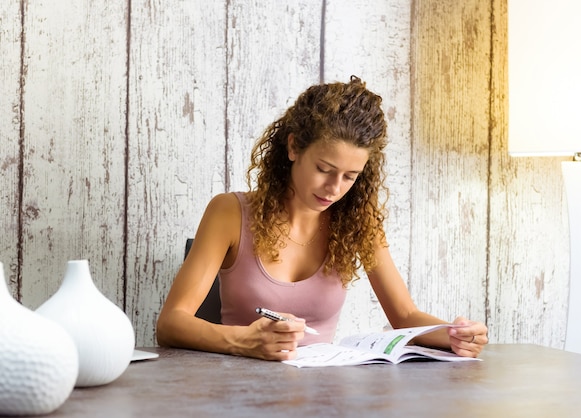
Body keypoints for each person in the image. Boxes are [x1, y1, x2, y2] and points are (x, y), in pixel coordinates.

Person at [157, 76, 488, 361]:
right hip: (237, 393)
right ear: (293, 147)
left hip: (324, 397)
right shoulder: (229, 212)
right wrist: (246, 342)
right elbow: (171, 323)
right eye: (324, 169)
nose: (334, 188)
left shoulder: (359, 221)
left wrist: (453, 334)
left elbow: (404, 315)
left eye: (350, 176)